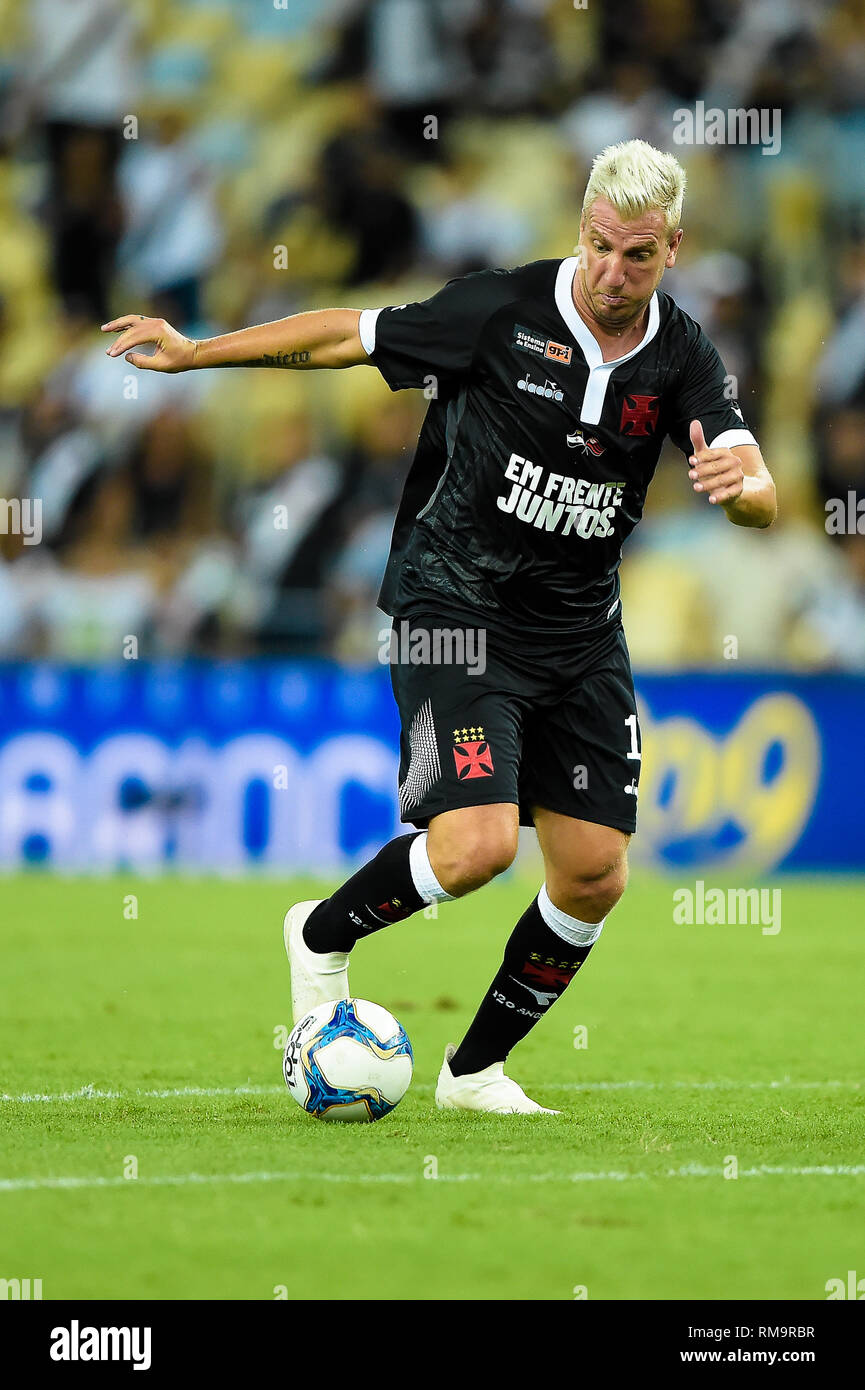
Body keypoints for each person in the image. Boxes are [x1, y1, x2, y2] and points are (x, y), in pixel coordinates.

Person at [103, 140, 777, 1115]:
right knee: (475, 848)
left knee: (592, 875)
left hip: (580, 633)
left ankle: (472, 1073)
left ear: (673, 248)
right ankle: (321, 934)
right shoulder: (499, 311)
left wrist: (743, 493)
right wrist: (201, 352)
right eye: (597, 246)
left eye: (637, 255)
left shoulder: (684, 355)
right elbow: (350, 334)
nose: (611, 272)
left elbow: (752, 476)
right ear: (578, 228)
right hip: (451, 606)